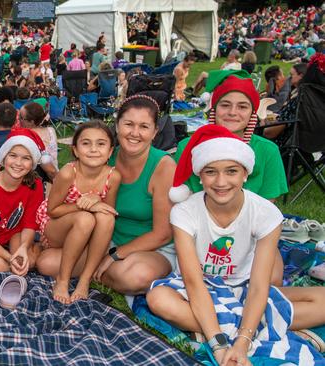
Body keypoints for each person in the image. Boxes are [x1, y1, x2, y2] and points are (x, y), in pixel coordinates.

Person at [147, 124, 325, 366]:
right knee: (158, 299)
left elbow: (260, 286)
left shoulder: (266, 213)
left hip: (246, 286)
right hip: (201, 288)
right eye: (211, 172)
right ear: (200, 175)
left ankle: (225, 325)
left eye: (231, 171)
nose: (221, 182)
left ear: (245, 173)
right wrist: (220, 347)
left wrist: (242, 343)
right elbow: (193, 281)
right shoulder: (184, 212)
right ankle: (261, 324)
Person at [174, 70, 288, 285]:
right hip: (198, 234)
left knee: (271, 281)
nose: (232, 112)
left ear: (252, 112)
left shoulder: (267, 151)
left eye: (242, 106)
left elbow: (266, 209)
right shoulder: (186, 148)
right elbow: (180, 201)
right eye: (225, 105)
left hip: (250, 235)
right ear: (214, 109)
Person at [94, 95, 177, 295]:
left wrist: (115, 255)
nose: (135, 133)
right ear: (117, 125)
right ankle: (97, 270)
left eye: (144, 126)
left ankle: (93, 272)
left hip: (153, 249)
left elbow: (163, 234)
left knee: (135, 277)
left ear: (155, 132)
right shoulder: (104, 157)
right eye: (129, 124)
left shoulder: (164, 166)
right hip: (106, 241)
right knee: (48, 264)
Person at [36, 121, 121, 304]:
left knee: (105, 218)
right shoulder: (68, 173)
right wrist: (83, 205)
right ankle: (63, 280)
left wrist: (97, 201)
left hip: (86, 231)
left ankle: (85, 280)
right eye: (86, 143)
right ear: (75, 150)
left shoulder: (113, 176)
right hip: (56, 224)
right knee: (85, 219)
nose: (93, 149)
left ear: (110, 151)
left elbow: (107, 211)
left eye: (101, 144)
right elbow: (52, 210)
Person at [0, 129, 45, 275]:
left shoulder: (34, 184)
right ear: (3, 158)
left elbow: (30, 224)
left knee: (27, 263)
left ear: (33, 163)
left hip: (17, 234)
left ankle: (35, 248)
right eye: (13, 155)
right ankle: (31, 250)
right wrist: (9, 258)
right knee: (0, 267)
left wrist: (24, 247)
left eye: (26, 158)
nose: (18, 163)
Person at [18, 102, 58, 182]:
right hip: (55, 173)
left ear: (31, 121)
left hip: (38, 179)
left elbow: (49, 169)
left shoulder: (27, 136)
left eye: (21, 118)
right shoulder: (51, 131)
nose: (19, 120)